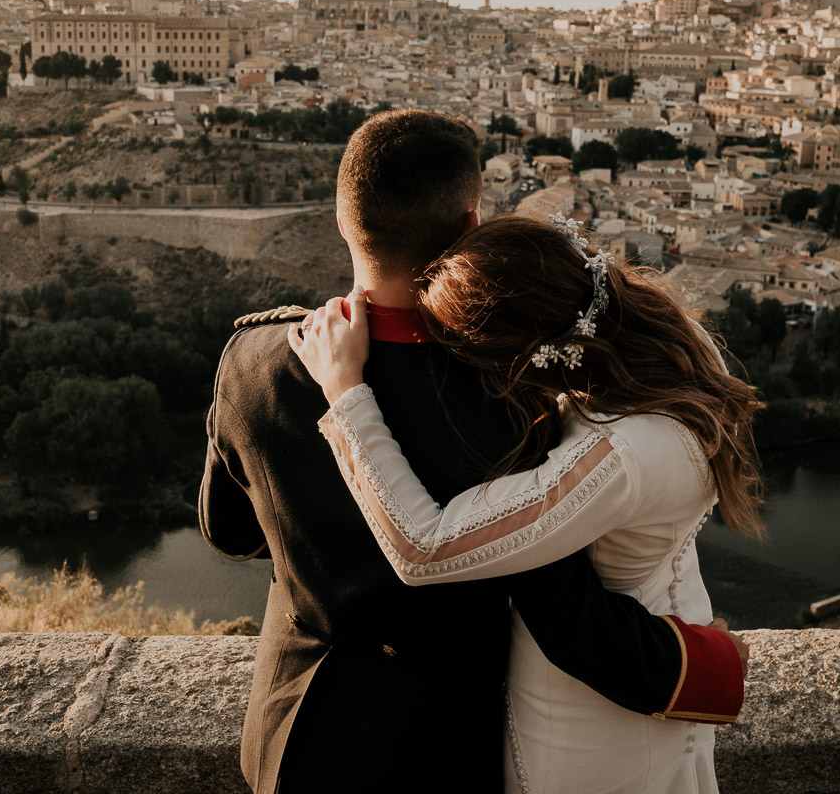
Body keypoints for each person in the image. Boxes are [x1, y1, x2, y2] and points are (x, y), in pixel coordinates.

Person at [201, 110, 748, 794]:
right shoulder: (517, 402)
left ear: (342, 222)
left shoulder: (251, 359)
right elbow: (562, 609)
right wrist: (704, 669)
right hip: (442, 744)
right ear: (469, 228)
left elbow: (228, 532)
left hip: (294, 733)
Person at [289, 211, 765, 794]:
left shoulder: (616, 459)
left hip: (589, 713)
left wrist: (345, 393)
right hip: (660, 631)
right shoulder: (671, 340)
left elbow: (425, 547)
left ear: (522, 356)